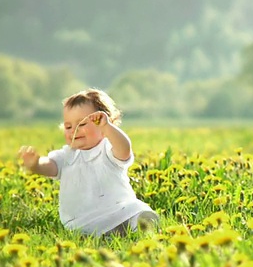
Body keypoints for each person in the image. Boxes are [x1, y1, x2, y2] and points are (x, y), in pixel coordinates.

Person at [18, 88, 159, 236]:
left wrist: (107, 128)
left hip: (121, 212)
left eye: (82, 124)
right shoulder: (67, 156)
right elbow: (51, 167)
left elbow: (124, 150)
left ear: (106, 123)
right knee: (90, 235)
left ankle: (144, 226)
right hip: (84, 222)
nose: (74, 130)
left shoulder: (108, 149)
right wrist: (36, 164)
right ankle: (106, 237)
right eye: (68, 126)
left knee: (137, 215)